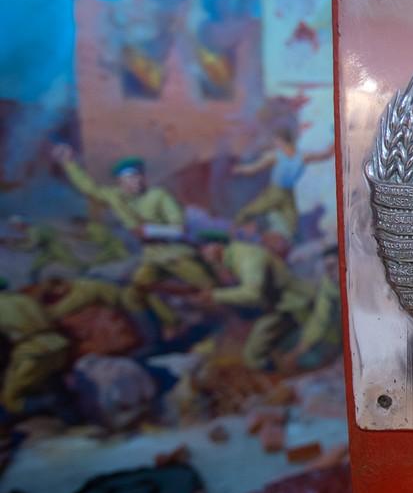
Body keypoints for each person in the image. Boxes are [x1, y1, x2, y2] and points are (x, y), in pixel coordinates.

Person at [50, 146, 213, 336]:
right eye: (130, 178)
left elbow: (180, 229)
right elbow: (89, 188)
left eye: (138, 177)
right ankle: (170, 325)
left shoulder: (159, 195)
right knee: (137, 289)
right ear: (120, 182)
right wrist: (69, 163)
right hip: (152, 256)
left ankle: (224, 322)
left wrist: (150, 231)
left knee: (208, 288)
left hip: (176, 253)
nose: (136, 182)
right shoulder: (115, 196)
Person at [193, 232, 312, 371]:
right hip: (280, 307)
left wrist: (214, 296)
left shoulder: (247, 256)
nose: (203, 253)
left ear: (218, 245)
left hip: (296, 304)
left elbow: (253, 294)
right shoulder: (231, 258)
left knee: (257, 357)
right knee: (253, 357)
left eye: (205, 247)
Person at [233, 128, 332, 238]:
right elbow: (254, 168)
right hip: (275, 192)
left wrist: (333, 143)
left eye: (276, 141)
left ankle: (287, 241)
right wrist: (240, 169)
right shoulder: (276, 155)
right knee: (248, 212)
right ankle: (233, 231)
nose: (275, 144)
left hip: (288, 194)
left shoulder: (302, 155)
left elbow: (325, 155)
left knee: (293, 224)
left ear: (281, 140)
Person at [0, 278, 71, 415]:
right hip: (59, 345)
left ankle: (51, 402)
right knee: (53, 382)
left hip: (32, 351)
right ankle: (72, 418)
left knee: (11, 400)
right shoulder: (25, 299)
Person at [279, 244, 341, 371]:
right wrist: (297, 351)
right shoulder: (328, 284)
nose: (330, 272)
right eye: (328, 268)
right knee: (287, 344)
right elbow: (320, 319)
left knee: (309, 359)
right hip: (327, 333)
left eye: (333, 266)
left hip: (339, 340)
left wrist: (296, 353)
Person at [3, 216, 83, 280]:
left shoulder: (33, 230)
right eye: (14, 226)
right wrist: (15, 242)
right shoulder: (32, 230)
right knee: (34, 270)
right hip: (49, 249)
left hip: (55, 248)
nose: (15, 228)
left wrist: (13, 247)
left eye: (15, 226)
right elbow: (30, 241)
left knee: (74, 263)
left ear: (21, 224)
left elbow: (31, 247)